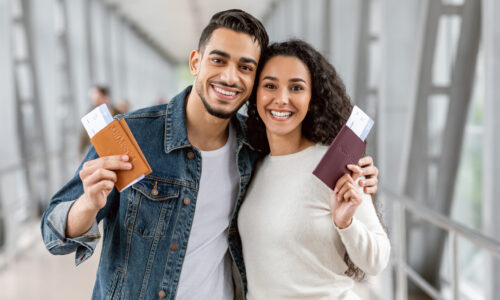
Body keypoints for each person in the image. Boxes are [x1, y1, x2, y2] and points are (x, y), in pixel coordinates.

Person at [41, 10, 380, 300]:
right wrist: (88, 205)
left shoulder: (255, 147)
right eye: (219, 60)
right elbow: (53, 236)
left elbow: (300, 166)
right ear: (195, 62)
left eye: (246, 67)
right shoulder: (132, 135)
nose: (230, 77)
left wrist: (358, 174)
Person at [239, 40, 390, 299]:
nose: (281, 99)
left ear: (312, 98)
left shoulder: (332, 165)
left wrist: (346, 224)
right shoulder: (252, 164)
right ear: (256, 94)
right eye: (270, 86)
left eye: (296, 87)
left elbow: (377, 260)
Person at [79, 85, 118, 155]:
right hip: (97, 152)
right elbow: (84, 135)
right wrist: (81, 152)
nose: (94, 101)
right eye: (93, 99)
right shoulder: (89, 116)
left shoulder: (117, 113)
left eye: (97, 98)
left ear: (105, 97)